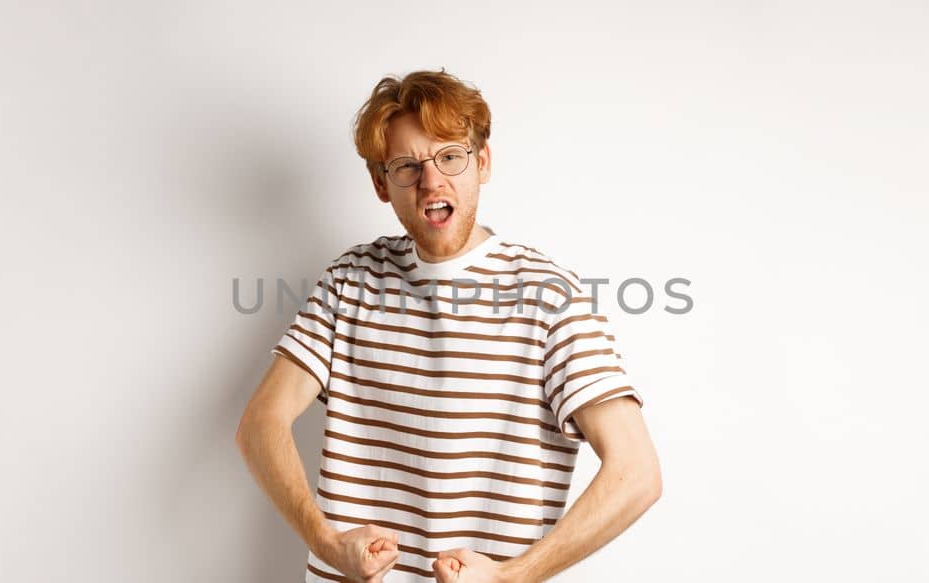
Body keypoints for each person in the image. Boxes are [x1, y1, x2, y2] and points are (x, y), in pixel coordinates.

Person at [235, 68, 662, 583]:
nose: (432, 180)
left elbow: (637, 473)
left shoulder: (551, 296)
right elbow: (260, 423)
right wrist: (326, 543)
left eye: (450, 156)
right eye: (407, 166)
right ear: (380, 183)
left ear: (482, 162)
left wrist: (514, 575)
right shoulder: (350, 279)